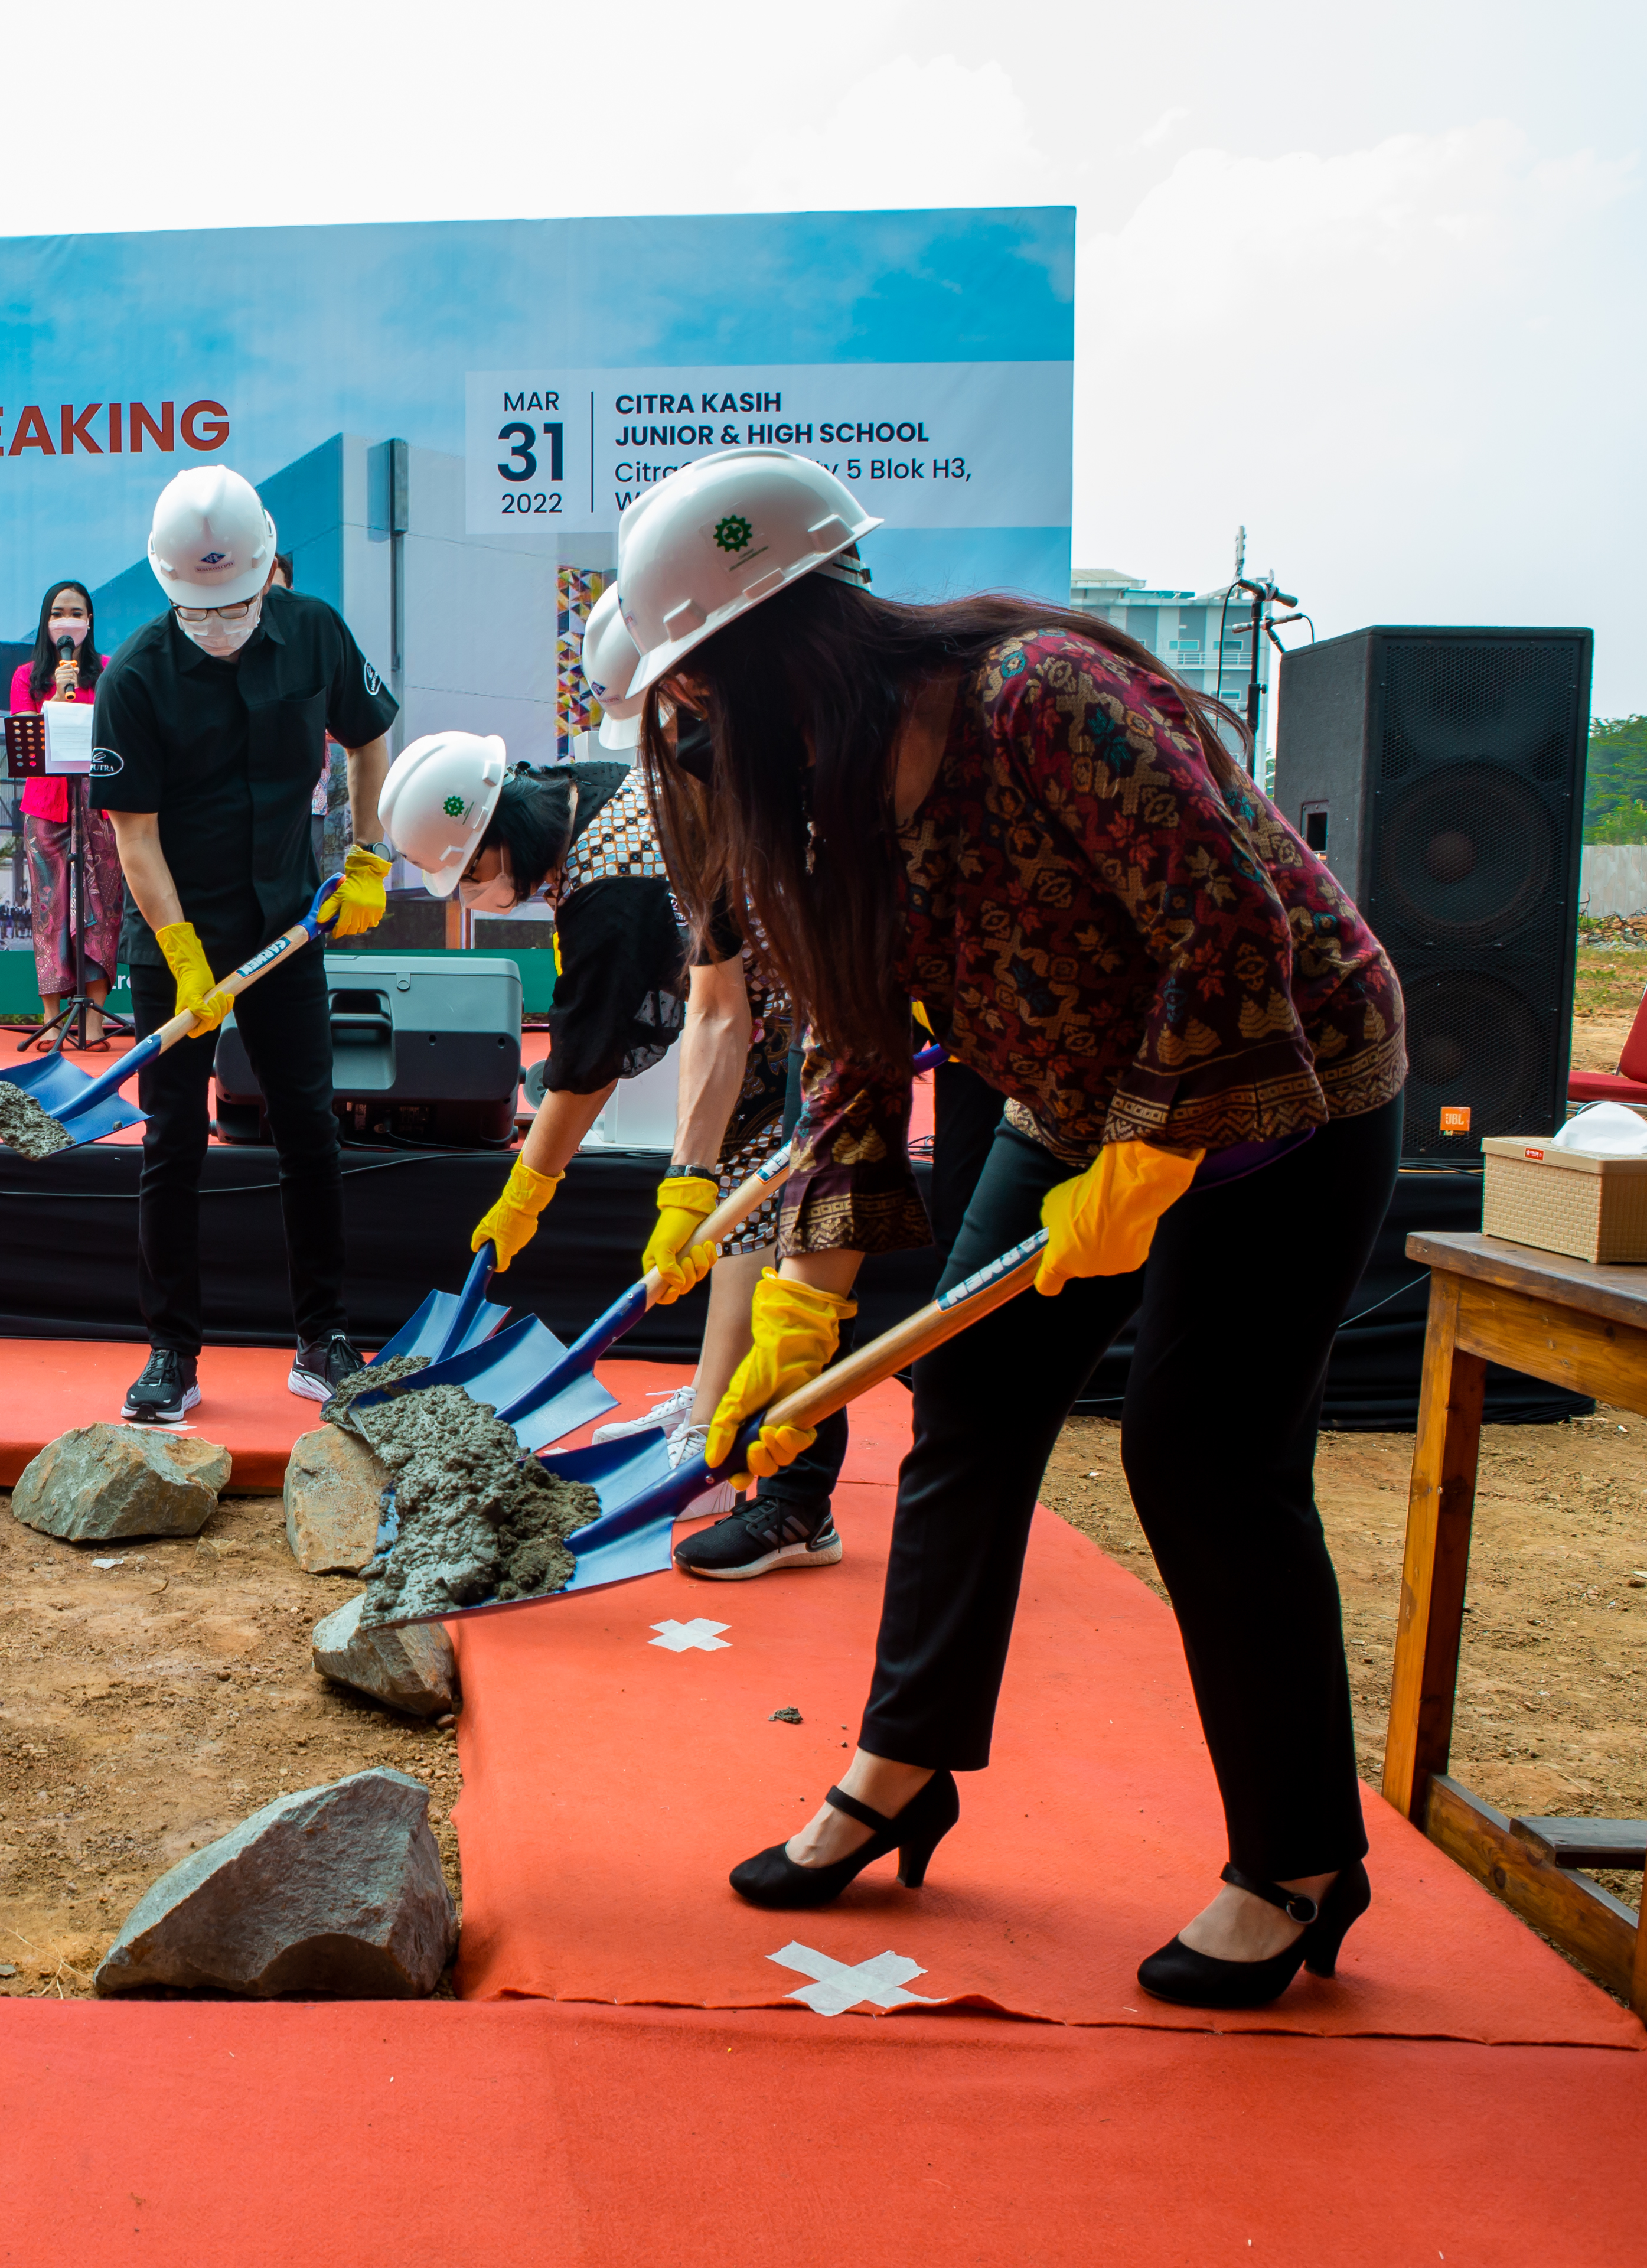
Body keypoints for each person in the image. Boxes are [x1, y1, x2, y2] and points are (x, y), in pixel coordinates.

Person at [616, 448, 1405, 2008]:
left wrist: (1152, 1154)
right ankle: (906, 1763)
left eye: (695, 704)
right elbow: (848, 1058)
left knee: (1202, 1455)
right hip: (1069, 1099)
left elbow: (1228, 926)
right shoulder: (828, 798)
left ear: (769, 657)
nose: (696, 740)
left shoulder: (1042, 696)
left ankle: (1301, 1860)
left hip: (1287, 1085)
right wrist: (799, 1324)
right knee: (966, 1404)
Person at [374, 604, 851, 1580]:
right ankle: (715, 1410)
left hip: (809, 979)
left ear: (499, 835)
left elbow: (586, 1067)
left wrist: (529, 1191)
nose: (472, 898)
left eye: (468, 878)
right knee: (738, 1200)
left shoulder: (612, 887)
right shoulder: (579, 792)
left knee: (774, 1208)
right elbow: (689, 1008)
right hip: (761, 982)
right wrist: (688, 1173)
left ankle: (760, 1468)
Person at [89, 465, 397, 1420]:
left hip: (287, 921)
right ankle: (171, 1353)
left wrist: (369, 854)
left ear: (268, 572)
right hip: (175, 930)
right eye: (199, 610)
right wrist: (184, 958)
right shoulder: (135, 677)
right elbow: (133, 836)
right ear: (167, 587)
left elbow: (369, 737)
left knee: (308, 1125)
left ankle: (323, 1338)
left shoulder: (314, 631)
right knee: (174, 1140)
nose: (220, 627)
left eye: (235, 607)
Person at [12, 581, 122, 1052]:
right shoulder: (26, 676)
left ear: (89, 621)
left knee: (101, 910)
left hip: (100, 807)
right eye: (59, 612)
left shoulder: (110, 671)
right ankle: (53, 1019)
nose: (67, 620)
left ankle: (93, 1018)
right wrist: (57, 697)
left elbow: (119, 731)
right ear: (47, 621)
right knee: (50, 912)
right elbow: (27, 733)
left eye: (76, 612)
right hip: (46, 806)